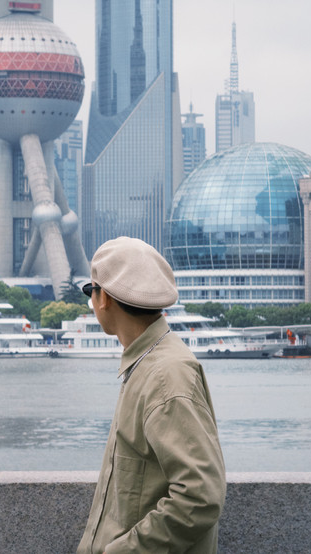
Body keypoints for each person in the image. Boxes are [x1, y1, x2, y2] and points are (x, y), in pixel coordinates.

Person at [77, 237, 226, 554]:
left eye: (91, 290)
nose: (91, 301)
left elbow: (200, 495)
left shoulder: (164, 376)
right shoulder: (149, 363)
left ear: (104, 298)